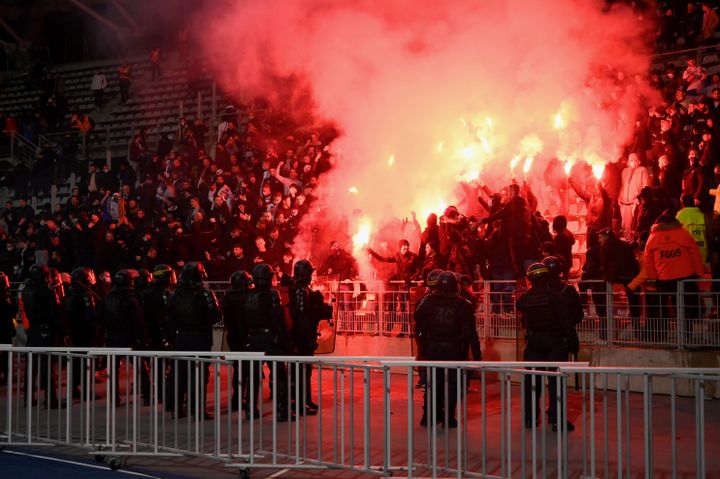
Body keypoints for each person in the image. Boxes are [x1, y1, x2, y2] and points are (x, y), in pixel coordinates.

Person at [414, 271, 481, 428]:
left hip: (433, 350)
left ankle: (429, 416)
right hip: (455, 351)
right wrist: (477, 356)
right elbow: (471, 333)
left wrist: (420, 351)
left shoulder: (427, 302)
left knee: (432, 384)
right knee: (454, 385)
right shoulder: (464, 305)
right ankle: (448, 417)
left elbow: (419, 328)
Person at [517, 263, 577, 432]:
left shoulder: (526, 297)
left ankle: (530, 419)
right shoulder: (556, 296)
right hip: (555, 342)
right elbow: (566, 321)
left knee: (531, 383)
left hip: (534, 342)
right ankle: (557, 420)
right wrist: (572, 341)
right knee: (556, 382)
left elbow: (520, 306)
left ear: (530, 279)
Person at [167, 262, 221, 419]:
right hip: (200, 337)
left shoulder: (175, 294)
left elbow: (170, 318)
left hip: (181, 337)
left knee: (179, 373)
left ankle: (176, 409)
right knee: (199, 374)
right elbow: (215, 316)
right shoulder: (205, 293)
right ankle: (197, 410)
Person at [239, 263, 292, 421]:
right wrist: (285, 341)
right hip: (270, 338)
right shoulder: (272, 294)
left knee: (252, 376)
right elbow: (278, 319)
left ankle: (250, 410)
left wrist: (246, 340)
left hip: (253, 338)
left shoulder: (246, 296)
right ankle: (282, 411)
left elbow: (241, 321)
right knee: (279, 375)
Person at [643, 214, 705, 343]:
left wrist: (653, 277)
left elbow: (647, 260)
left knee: (663, 308)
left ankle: (662, 335)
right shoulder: (684, 234)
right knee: (683, 308)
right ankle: (686, 336)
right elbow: (695, 253)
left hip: (664, 278)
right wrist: (699, 273)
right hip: (686, 276)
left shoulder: (653, 237)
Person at [288, 259, 332, 415]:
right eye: (310, 273)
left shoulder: (301, 289)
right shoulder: (299, 290)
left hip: (304, 335)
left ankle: (304, 400)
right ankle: (299, 403)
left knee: (305, 370)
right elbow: (301, 316)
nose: (311, 275)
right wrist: (318, 306)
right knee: (301, 370)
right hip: (301, 337)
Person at [22, 265, 63, 408]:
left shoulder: (26, 290)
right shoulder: (46, 291)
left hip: (33, 329)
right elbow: (53, 314)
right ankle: (50, 399)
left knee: (31, 367)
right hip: (45, 330)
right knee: (47, 367)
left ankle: (28, 398)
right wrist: (60, 330)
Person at [103, 269, 145, 405]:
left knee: (113, 370)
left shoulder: (109, 296)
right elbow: (137, 321)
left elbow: (101, 315)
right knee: (140, 366)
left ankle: (113, 398)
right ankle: (148, 394)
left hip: (112, 336)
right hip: (128, 337)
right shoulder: (131, 299)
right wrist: (141, 338)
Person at [64, 267, 101, 398]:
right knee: (86, 362)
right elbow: (91, 314)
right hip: (85, 331)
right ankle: (86, 391)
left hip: (73, 331)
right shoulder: (85, 294)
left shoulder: (69, 292)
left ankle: (74, 389)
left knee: (75, 361)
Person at [221, 269, 253, 413]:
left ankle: (237, 398)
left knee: (238, 369)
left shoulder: (227, 297)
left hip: (232, 336)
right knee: (247, 370)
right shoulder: (246, 297)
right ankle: (242, 399)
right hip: (244, 336)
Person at [0, 271, 18, 383]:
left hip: (5, 328)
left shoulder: (6, 296)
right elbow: (11, 311)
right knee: (6, 353)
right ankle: (6, 375)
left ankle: (6, 374)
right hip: (4, 328)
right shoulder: (5, 297)